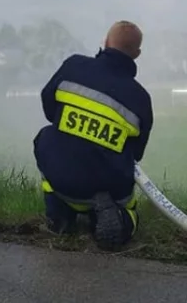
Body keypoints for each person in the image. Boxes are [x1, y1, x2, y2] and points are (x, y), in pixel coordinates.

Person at [32, 20, 154, 250]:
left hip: (62, 179)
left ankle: (59, 213)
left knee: (47, 138)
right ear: (136, 55)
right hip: (108, 186)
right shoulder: (141, 99)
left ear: (105, 42)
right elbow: (136, 153)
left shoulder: (73, 66)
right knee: (129, 204)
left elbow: (48, 106)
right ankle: (121, 220)